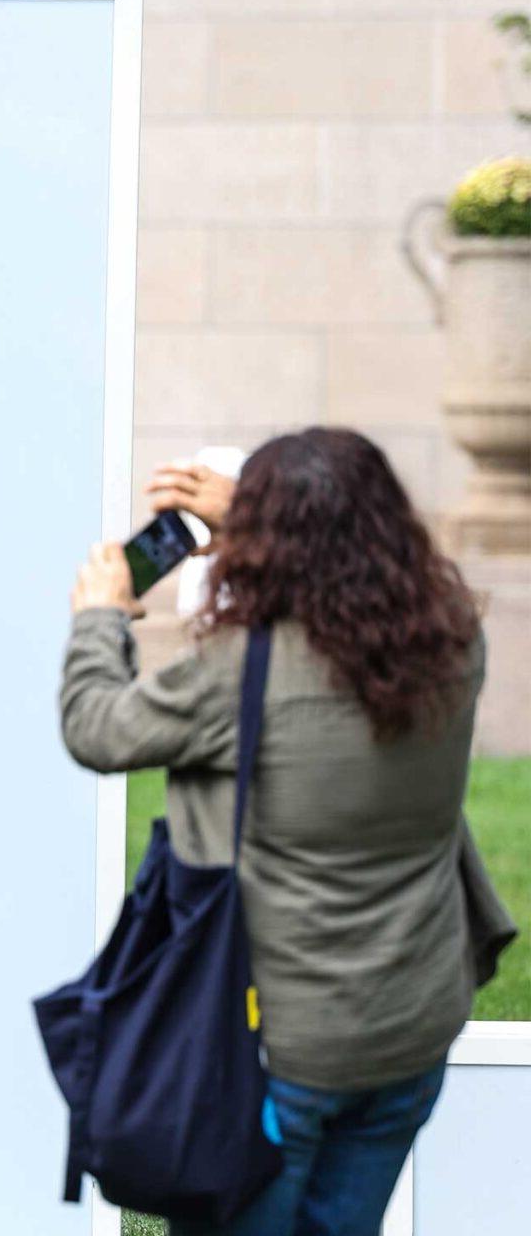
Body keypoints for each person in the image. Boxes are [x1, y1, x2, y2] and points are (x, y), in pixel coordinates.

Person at [62, 430, 512, 1236]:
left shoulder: (240, 669)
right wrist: (269, 518)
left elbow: (96, 728)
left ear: (268, 542)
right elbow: (379, 579)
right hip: (410, 1031)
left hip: (276, 1055)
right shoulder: (453, 640)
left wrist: (101, 618)